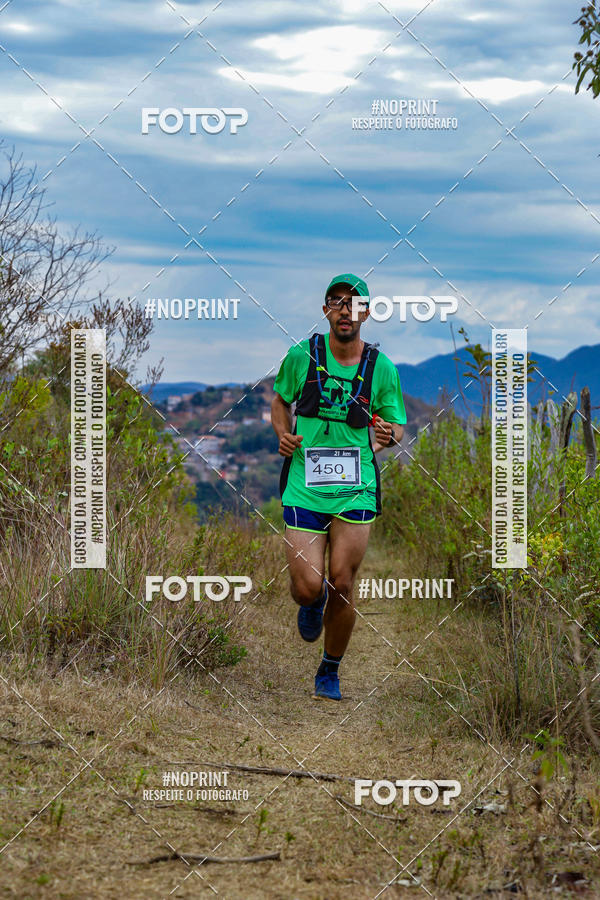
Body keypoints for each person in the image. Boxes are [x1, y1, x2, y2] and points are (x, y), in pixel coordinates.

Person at [271, 274, 406, 701]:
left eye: (353, 304)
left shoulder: (380, 368)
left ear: (366, 312)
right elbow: (280, 402)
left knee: (342, 583)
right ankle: (311, 603)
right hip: (305, 486)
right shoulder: (302, 356)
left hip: (356, 487)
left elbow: (396, 424)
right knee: (309, 586)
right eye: (336, 302)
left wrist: (388, 436)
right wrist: (283, 435)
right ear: (326, 309)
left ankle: (329, 670)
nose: (344, 310)